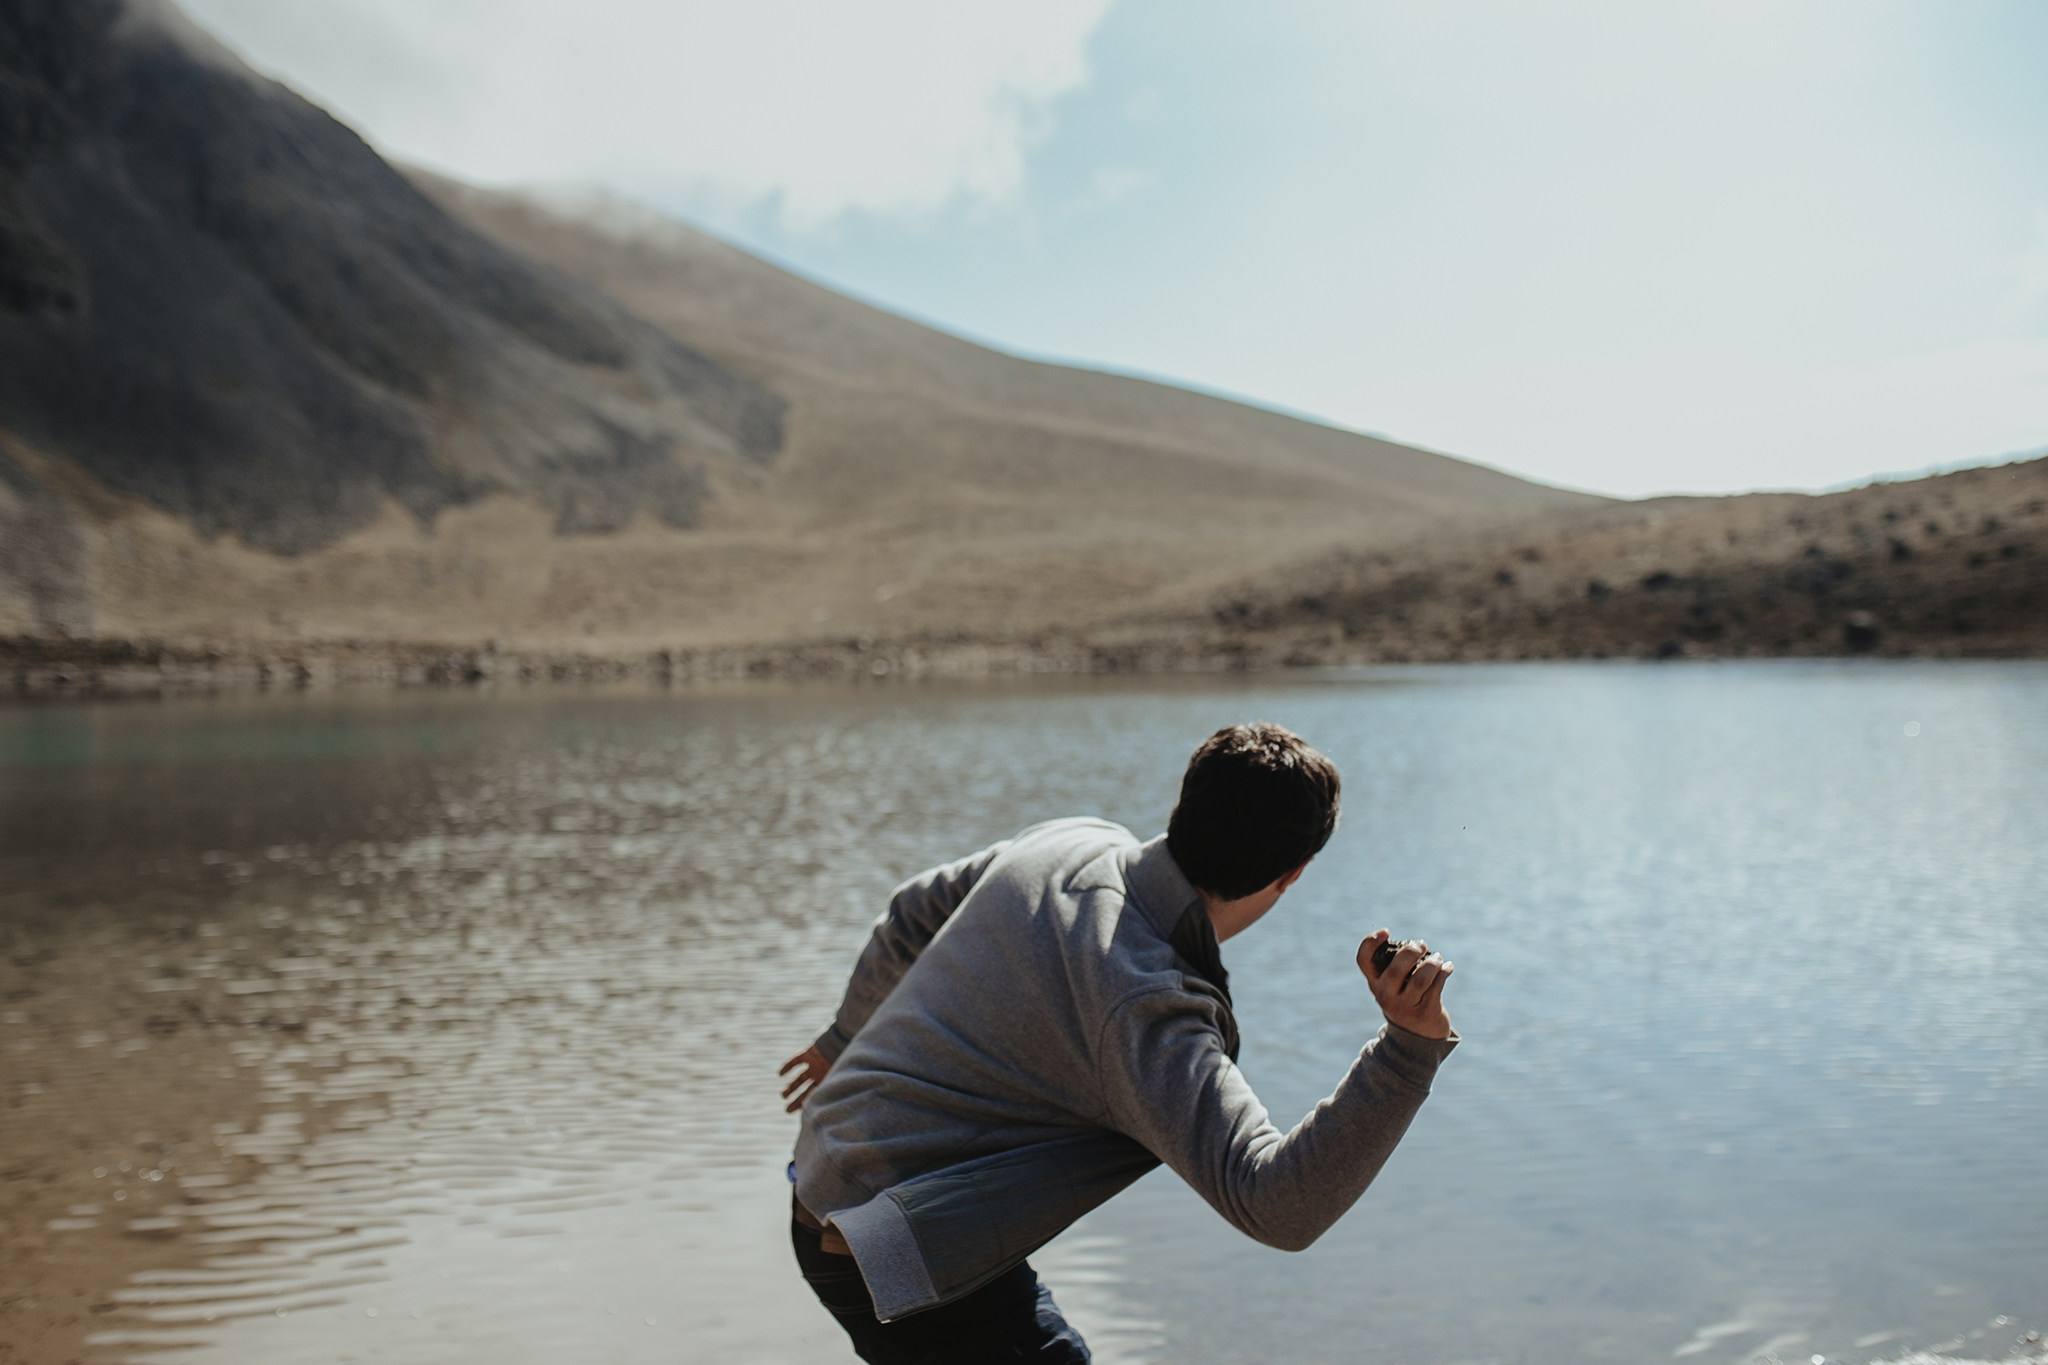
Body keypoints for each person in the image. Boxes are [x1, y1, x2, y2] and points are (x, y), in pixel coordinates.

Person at [778, 722, 1457, 1363]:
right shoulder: (1149, 1008)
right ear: (1294, 873)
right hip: (887, 1252)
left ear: (1188, 801)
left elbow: (909, 911)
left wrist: (841, 1038)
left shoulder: (1071, 841)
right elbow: (1278, 1205)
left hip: (833, 1174)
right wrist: (1405, 1050)